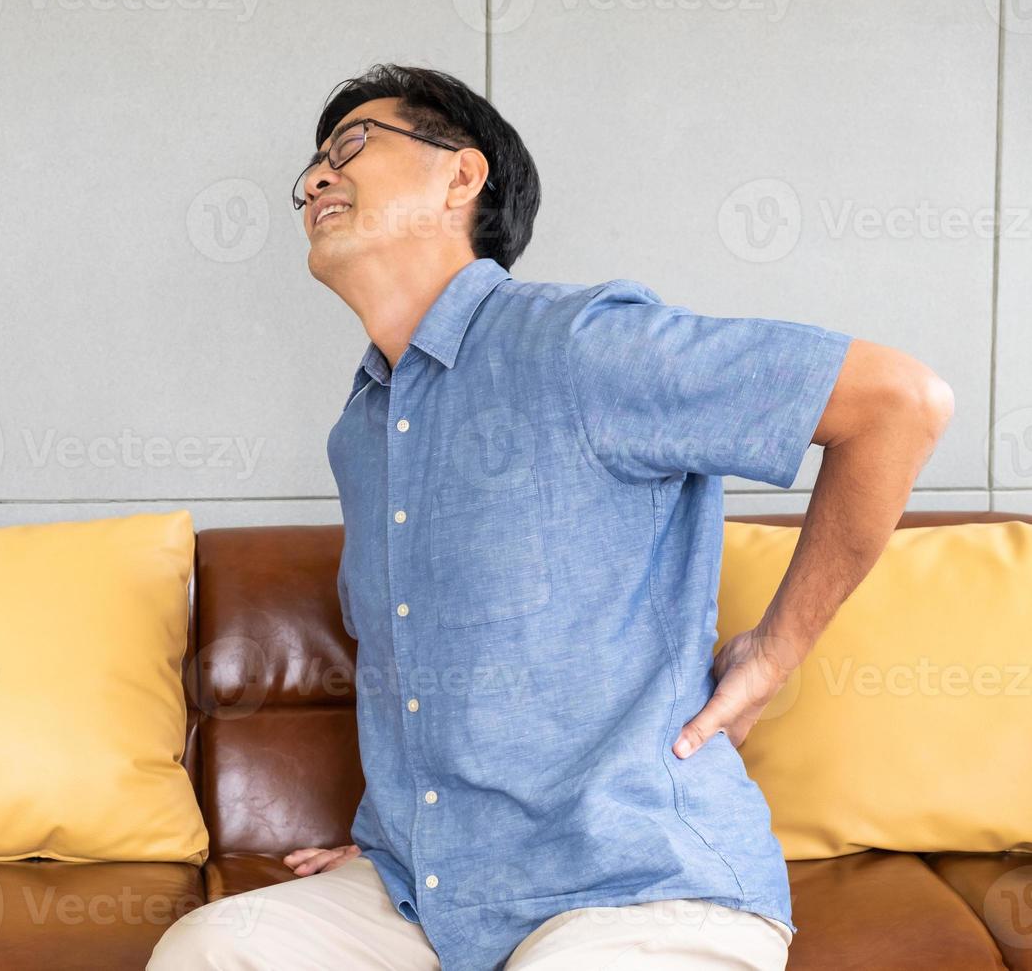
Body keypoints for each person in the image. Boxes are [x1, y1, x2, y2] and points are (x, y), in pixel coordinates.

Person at [148, 62, 953, 971]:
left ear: (462, 175)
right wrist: (404, 843)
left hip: (636, 890)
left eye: (352, 146)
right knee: (214, 951)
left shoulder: (582, 344)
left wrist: (773, 654)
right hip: (427, 892)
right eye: (311, 171)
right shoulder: (364, 425)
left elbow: (898, 404)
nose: (318, 179)